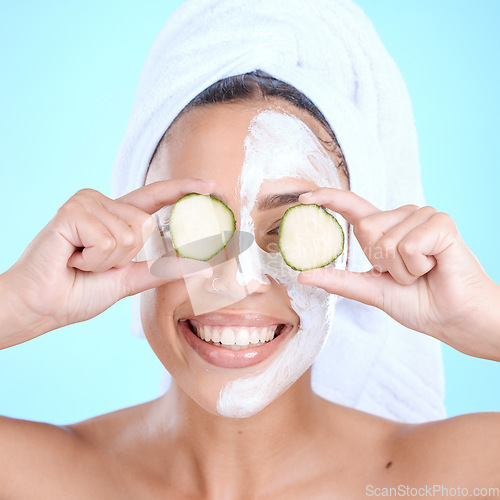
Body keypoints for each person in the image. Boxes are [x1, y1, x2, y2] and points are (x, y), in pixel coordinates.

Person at [1, 2, 499, 499]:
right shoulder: (34, 479)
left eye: (285, 230)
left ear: (352, 252)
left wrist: (483, 318)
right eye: (194, 227)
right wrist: (17, 306)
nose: (237, 279)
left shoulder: (456, 478)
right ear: (133, 234)